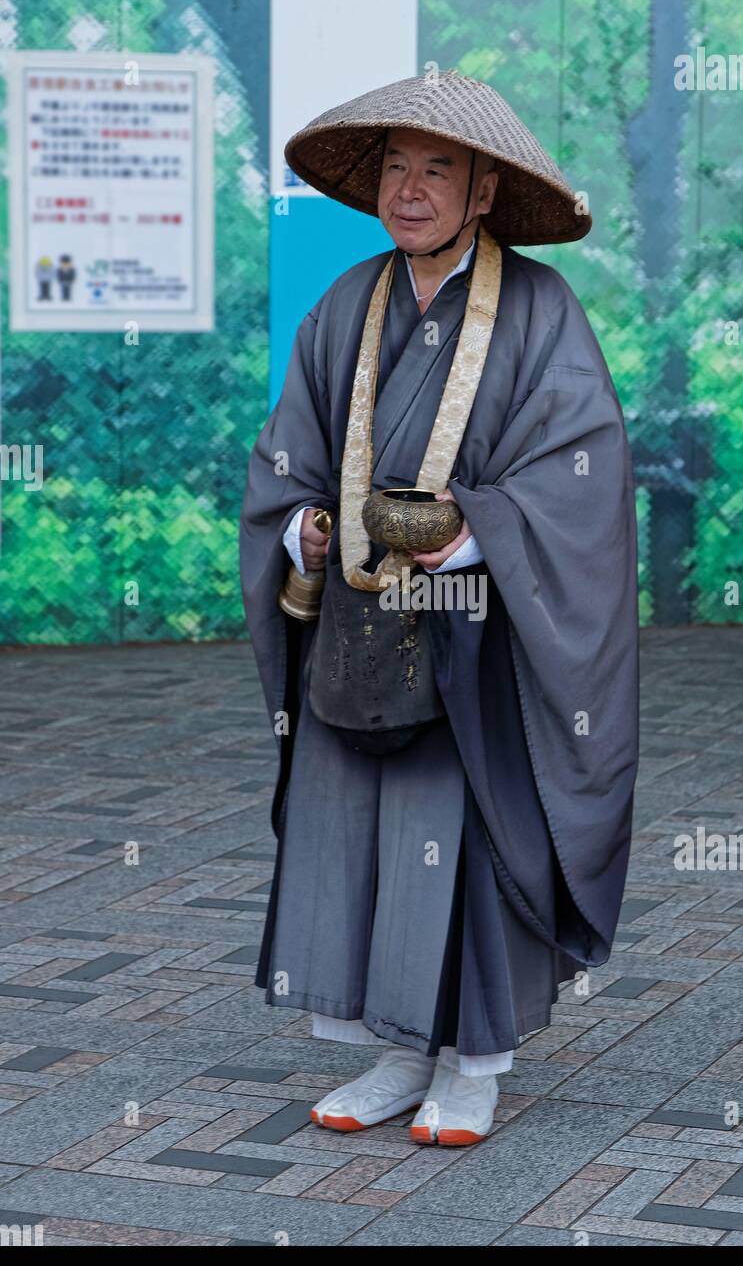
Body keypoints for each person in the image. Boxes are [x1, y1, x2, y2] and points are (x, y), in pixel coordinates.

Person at [239, 70, 639, 1147]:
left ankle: (473, 1066)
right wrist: (304, 527)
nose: (409, 190)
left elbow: (585, 474)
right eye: (395, 169)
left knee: (459, 840)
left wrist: (481, 531)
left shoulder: (540, 312)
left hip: (479, 634)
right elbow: (287, 456)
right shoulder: (345, 304)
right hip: (360, 630)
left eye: (438, 170)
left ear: (483, 192)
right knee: (363, 834)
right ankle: (395, 1051)